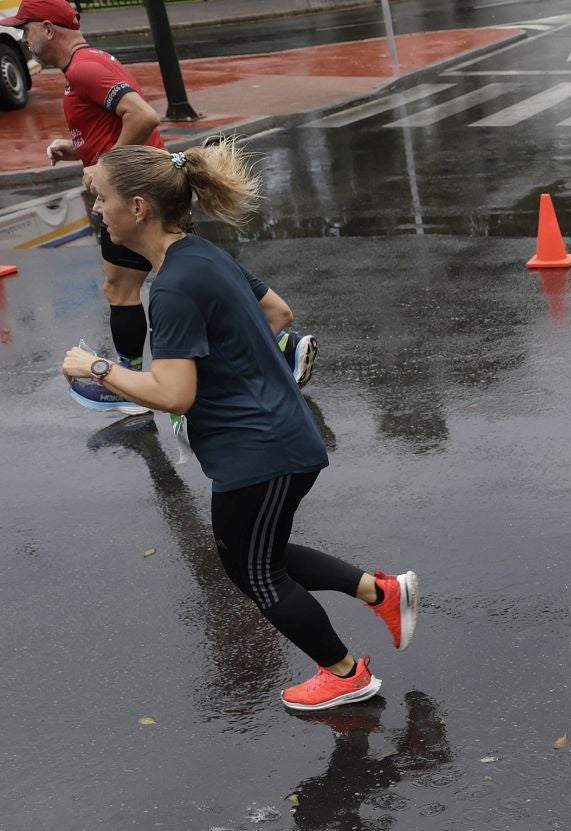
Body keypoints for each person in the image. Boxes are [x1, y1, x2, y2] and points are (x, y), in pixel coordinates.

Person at [58, 142, 417, 712]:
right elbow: (277, 313)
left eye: (101, 199)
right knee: (258, 553)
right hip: (274, 438)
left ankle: (345, 674)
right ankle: (382, 591)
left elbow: (174, 393)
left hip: (260, 453)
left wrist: (98, 368)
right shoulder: (199, 254)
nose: (97, 211)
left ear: (141, 207)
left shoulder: (172, 287)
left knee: (254, 572)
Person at [7, 0, 317, 415]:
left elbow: (142, 115)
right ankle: (280, 342)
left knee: (130, 286)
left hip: (136, 196)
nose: (22, 38)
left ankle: (128, 382)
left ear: (47, 28)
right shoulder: (86, 63)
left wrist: (103, 168)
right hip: (144, 188)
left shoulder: (84, 67)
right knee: (193, 271)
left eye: (25, 29)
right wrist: (78, 147)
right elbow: (113, 120)